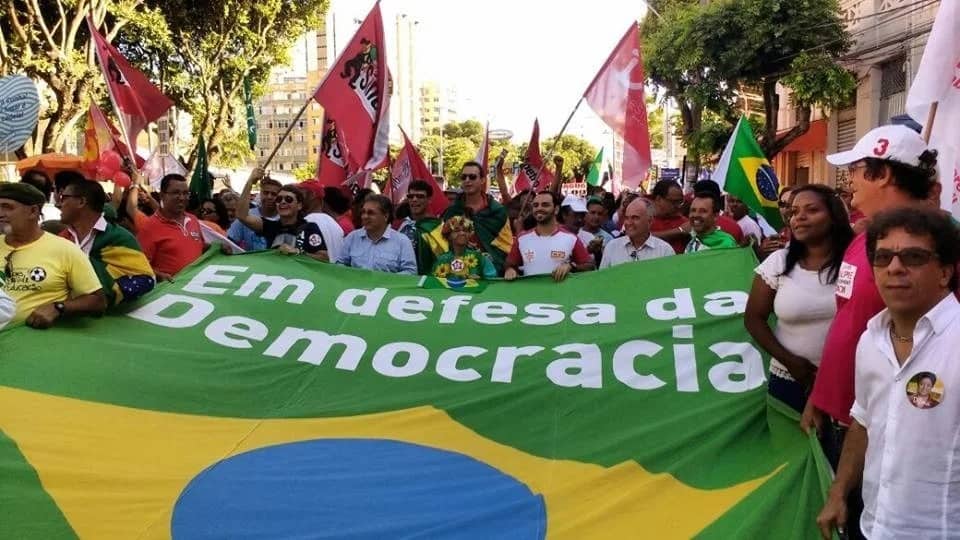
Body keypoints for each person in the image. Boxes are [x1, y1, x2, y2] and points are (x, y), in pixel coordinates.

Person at [817, 208, 960, 540]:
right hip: (873, 527)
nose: (894, 268)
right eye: (882, 258)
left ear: (944, 272)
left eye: (913, 257)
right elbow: (863, 421)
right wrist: (839, 492)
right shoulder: (871, 340)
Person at [744, 185, 854, 412]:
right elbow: (753, 318)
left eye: (812, 210)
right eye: (794, 212)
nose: (799, 217)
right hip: (789, 381)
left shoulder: (855, 262)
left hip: (848, 382)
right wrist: (791, 363)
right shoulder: (778, 262)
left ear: (834, 216)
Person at [0, 183, 105, 328]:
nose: (0, 213)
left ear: (33, 211)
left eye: (7, 207)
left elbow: (98, 302)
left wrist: (58, 307)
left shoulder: (65, 250)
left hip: (30, 338)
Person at [56, 179, 155, 306]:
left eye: (63, 197)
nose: (58, 204)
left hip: (114, 316)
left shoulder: (119, 238)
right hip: (64, 314)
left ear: (81, 202)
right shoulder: (61, 239)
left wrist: (106, 293)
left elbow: (146, 279)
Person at [236, 170, 330, 261]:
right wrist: (250, 182)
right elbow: (242, 216)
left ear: (299, 205)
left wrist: (297, 252)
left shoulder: (310, 227)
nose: (283, 202)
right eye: (279, 199)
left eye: (288, 199)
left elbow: (324, 258)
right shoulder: (271, 226)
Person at [504, 190, 594, 282]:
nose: (539, 208)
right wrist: (510, 269)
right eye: (535, 205)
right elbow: (510, 264)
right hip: (530, 290)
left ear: (556, 210)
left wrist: (571, 266)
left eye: (545, 205)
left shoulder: (571, 238)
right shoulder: (522, 239)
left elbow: (589, 265)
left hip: (560, 291)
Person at [441, 161, 513, 274]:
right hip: (458, 271)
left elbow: (506, 246)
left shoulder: (497, 211)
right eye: (464, 177)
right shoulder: (452, 211)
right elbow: (444, 243)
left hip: (492, 273)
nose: (467, 180)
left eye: (472, 177)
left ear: (482, 180)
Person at [135, 173, 205, 281]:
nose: (182, 198)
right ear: (162, 195)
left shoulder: (193, 220)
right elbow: (138, 266)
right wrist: (159, 276)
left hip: (197, 286)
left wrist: (217, 247)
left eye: (185, 193)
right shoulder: (149, 227)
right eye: (176, 193)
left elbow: (199, 246)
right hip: (171, 289)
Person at [337, 194, 417, 274]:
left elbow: (410, 271)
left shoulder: (402, 242)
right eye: (363, 212)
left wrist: (385, 280)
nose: (365, 216)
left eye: (371, 213)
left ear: (385, 216)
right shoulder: (352, 237)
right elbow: (340, 264)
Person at [600, 197, 674, 268]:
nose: (629, 223)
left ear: (650, 221)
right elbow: (603, 276)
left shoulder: (664, 251)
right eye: (627, 218)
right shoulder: (612, 247)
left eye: (635, 218)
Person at [395, 180, 442, 274]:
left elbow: (441, 259)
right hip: (399, 277)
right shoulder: (399, 225)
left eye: (420, 196)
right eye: (411, 196)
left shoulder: (437, 227)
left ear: (429, 199)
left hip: (425, 279)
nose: (414, 199)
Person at [430, 216, 497, 280]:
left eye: (465, 230)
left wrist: (480, 280)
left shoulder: (480, 258)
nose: (462, 233)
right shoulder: (441, 260)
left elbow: (492, 280)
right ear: (449, 235)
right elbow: (435, 282)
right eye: (457, 231)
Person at [227, 176, 280, 251]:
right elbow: (229, 240)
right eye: (266, 193)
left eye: (274, 194)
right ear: (260, 194)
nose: (269, 197)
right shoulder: (247, 214)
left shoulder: (284, 218)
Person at [649, 180, 689, 253]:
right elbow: (639, 238)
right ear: (658, 199)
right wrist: (679, 231)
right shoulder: (642, 217)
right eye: (673, 202)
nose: (677, 206)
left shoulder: (684, 222)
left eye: (680, 202)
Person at [759, 187, 795, 259]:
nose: (786, 209)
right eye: (782, 204)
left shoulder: (813, 237)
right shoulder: (780, 235)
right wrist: (761, 252)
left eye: (791, 204)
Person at [579, 197, 615, 266]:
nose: (596, 217)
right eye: (593, 213)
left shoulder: (609, 239)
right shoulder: (575, 234)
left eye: (600, 214)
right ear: (585, 214)